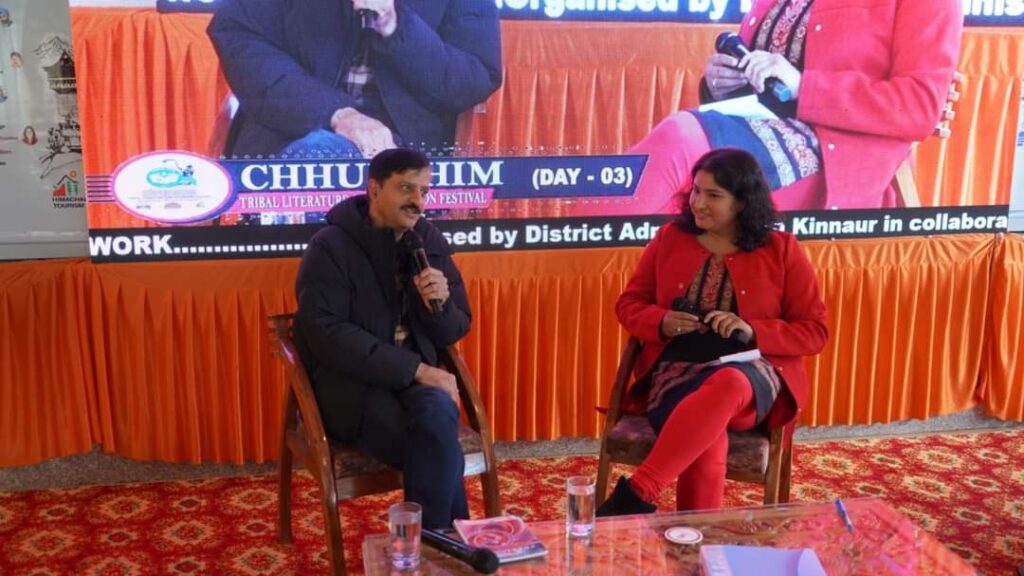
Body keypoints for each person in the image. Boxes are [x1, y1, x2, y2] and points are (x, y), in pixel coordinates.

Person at [597, 148, 827, 516]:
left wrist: (752, 329)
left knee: (730, 382)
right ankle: (698, 545)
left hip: (752, 378)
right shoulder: (670, 238)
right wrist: (661, 321)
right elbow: (629, 305)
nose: (698, 203)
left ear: (743, 202)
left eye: (713, 195)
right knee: (708, 441)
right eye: (696, 190)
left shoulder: (781, 250)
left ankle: (639, 491)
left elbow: (814, 331)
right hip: (677, 374)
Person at [576, 0, 962, 215]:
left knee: (680, 141)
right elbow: (762, 66)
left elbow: (920, 105)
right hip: (755, 129)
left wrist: (802, 86)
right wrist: (721, 83)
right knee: (676, 204)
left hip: (835, 155)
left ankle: (568, 272)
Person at [293, 148, 472, 529]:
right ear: (374, 189)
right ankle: (447, 544)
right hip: (351, 389)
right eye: (406, 188)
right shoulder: (330, 246)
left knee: (438, 418)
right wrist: (416, 369)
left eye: (424, 191)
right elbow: (327, 334)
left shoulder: (427, 241)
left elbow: (456, 328)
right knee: (436, 445)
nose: (418, 201)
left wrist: (438, 305)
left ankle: (431, 547)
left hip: (414, 384)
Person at [207, 0, 502, 159]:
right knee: (318, 154)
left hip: (401, 145)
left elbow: (473, 78)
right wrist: (335, 112)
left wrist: (396, 27)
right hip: (292, 129)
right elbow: (237, 35)